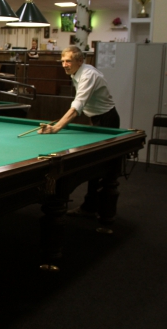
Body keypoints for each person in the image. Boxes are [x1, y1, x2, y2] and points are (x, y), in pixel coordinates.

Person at [39, 45, 120, 217]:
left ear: (80, 61)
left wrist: (56, 127)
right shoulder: (76, 72)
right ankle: (90, 207)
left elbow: (77, 107)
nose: (64, 65)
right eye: (62, 61)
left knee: (102, 167)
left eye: (68, 61)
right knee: (95, 166)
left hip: (107, 120)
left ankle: (100, 211)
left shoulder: (88, 74)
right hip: (96, 119)